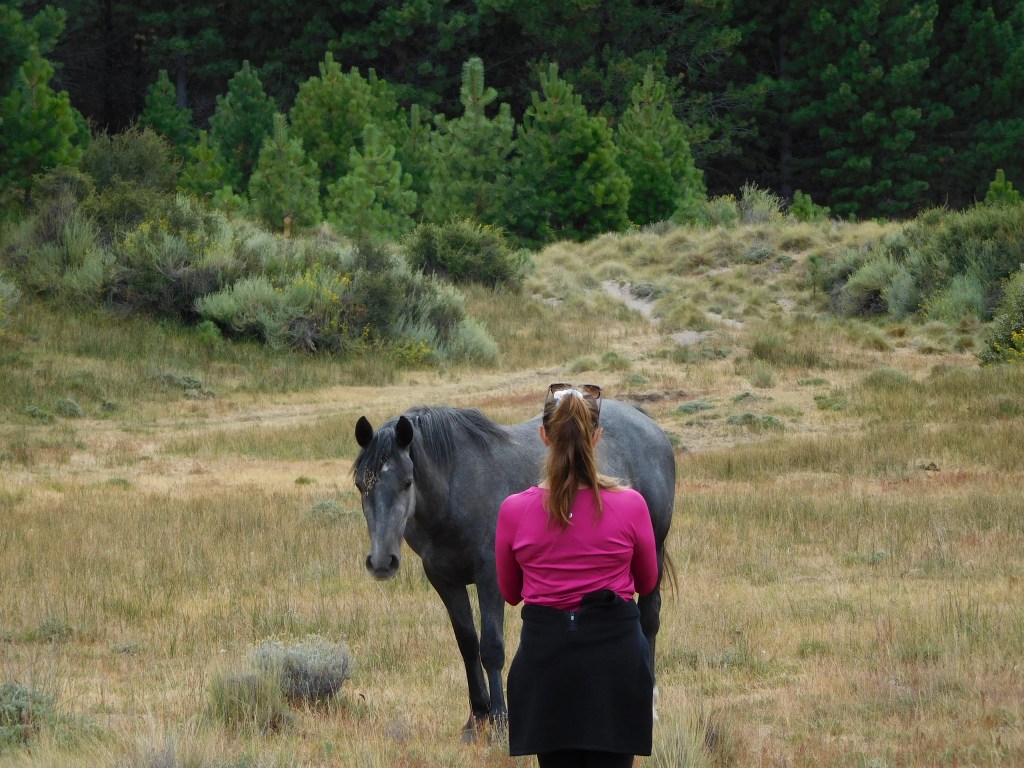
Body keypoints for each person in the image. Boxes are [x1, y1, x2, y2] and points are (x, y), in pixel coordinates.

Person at [495, 383, 659, 768]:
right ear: (597, 436)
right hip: (615, 667)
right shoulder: (631, 505)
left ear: (543, 436)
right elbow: (648, 582)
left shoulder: (514, 511)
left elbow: (510, 593)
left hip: (548, 668)